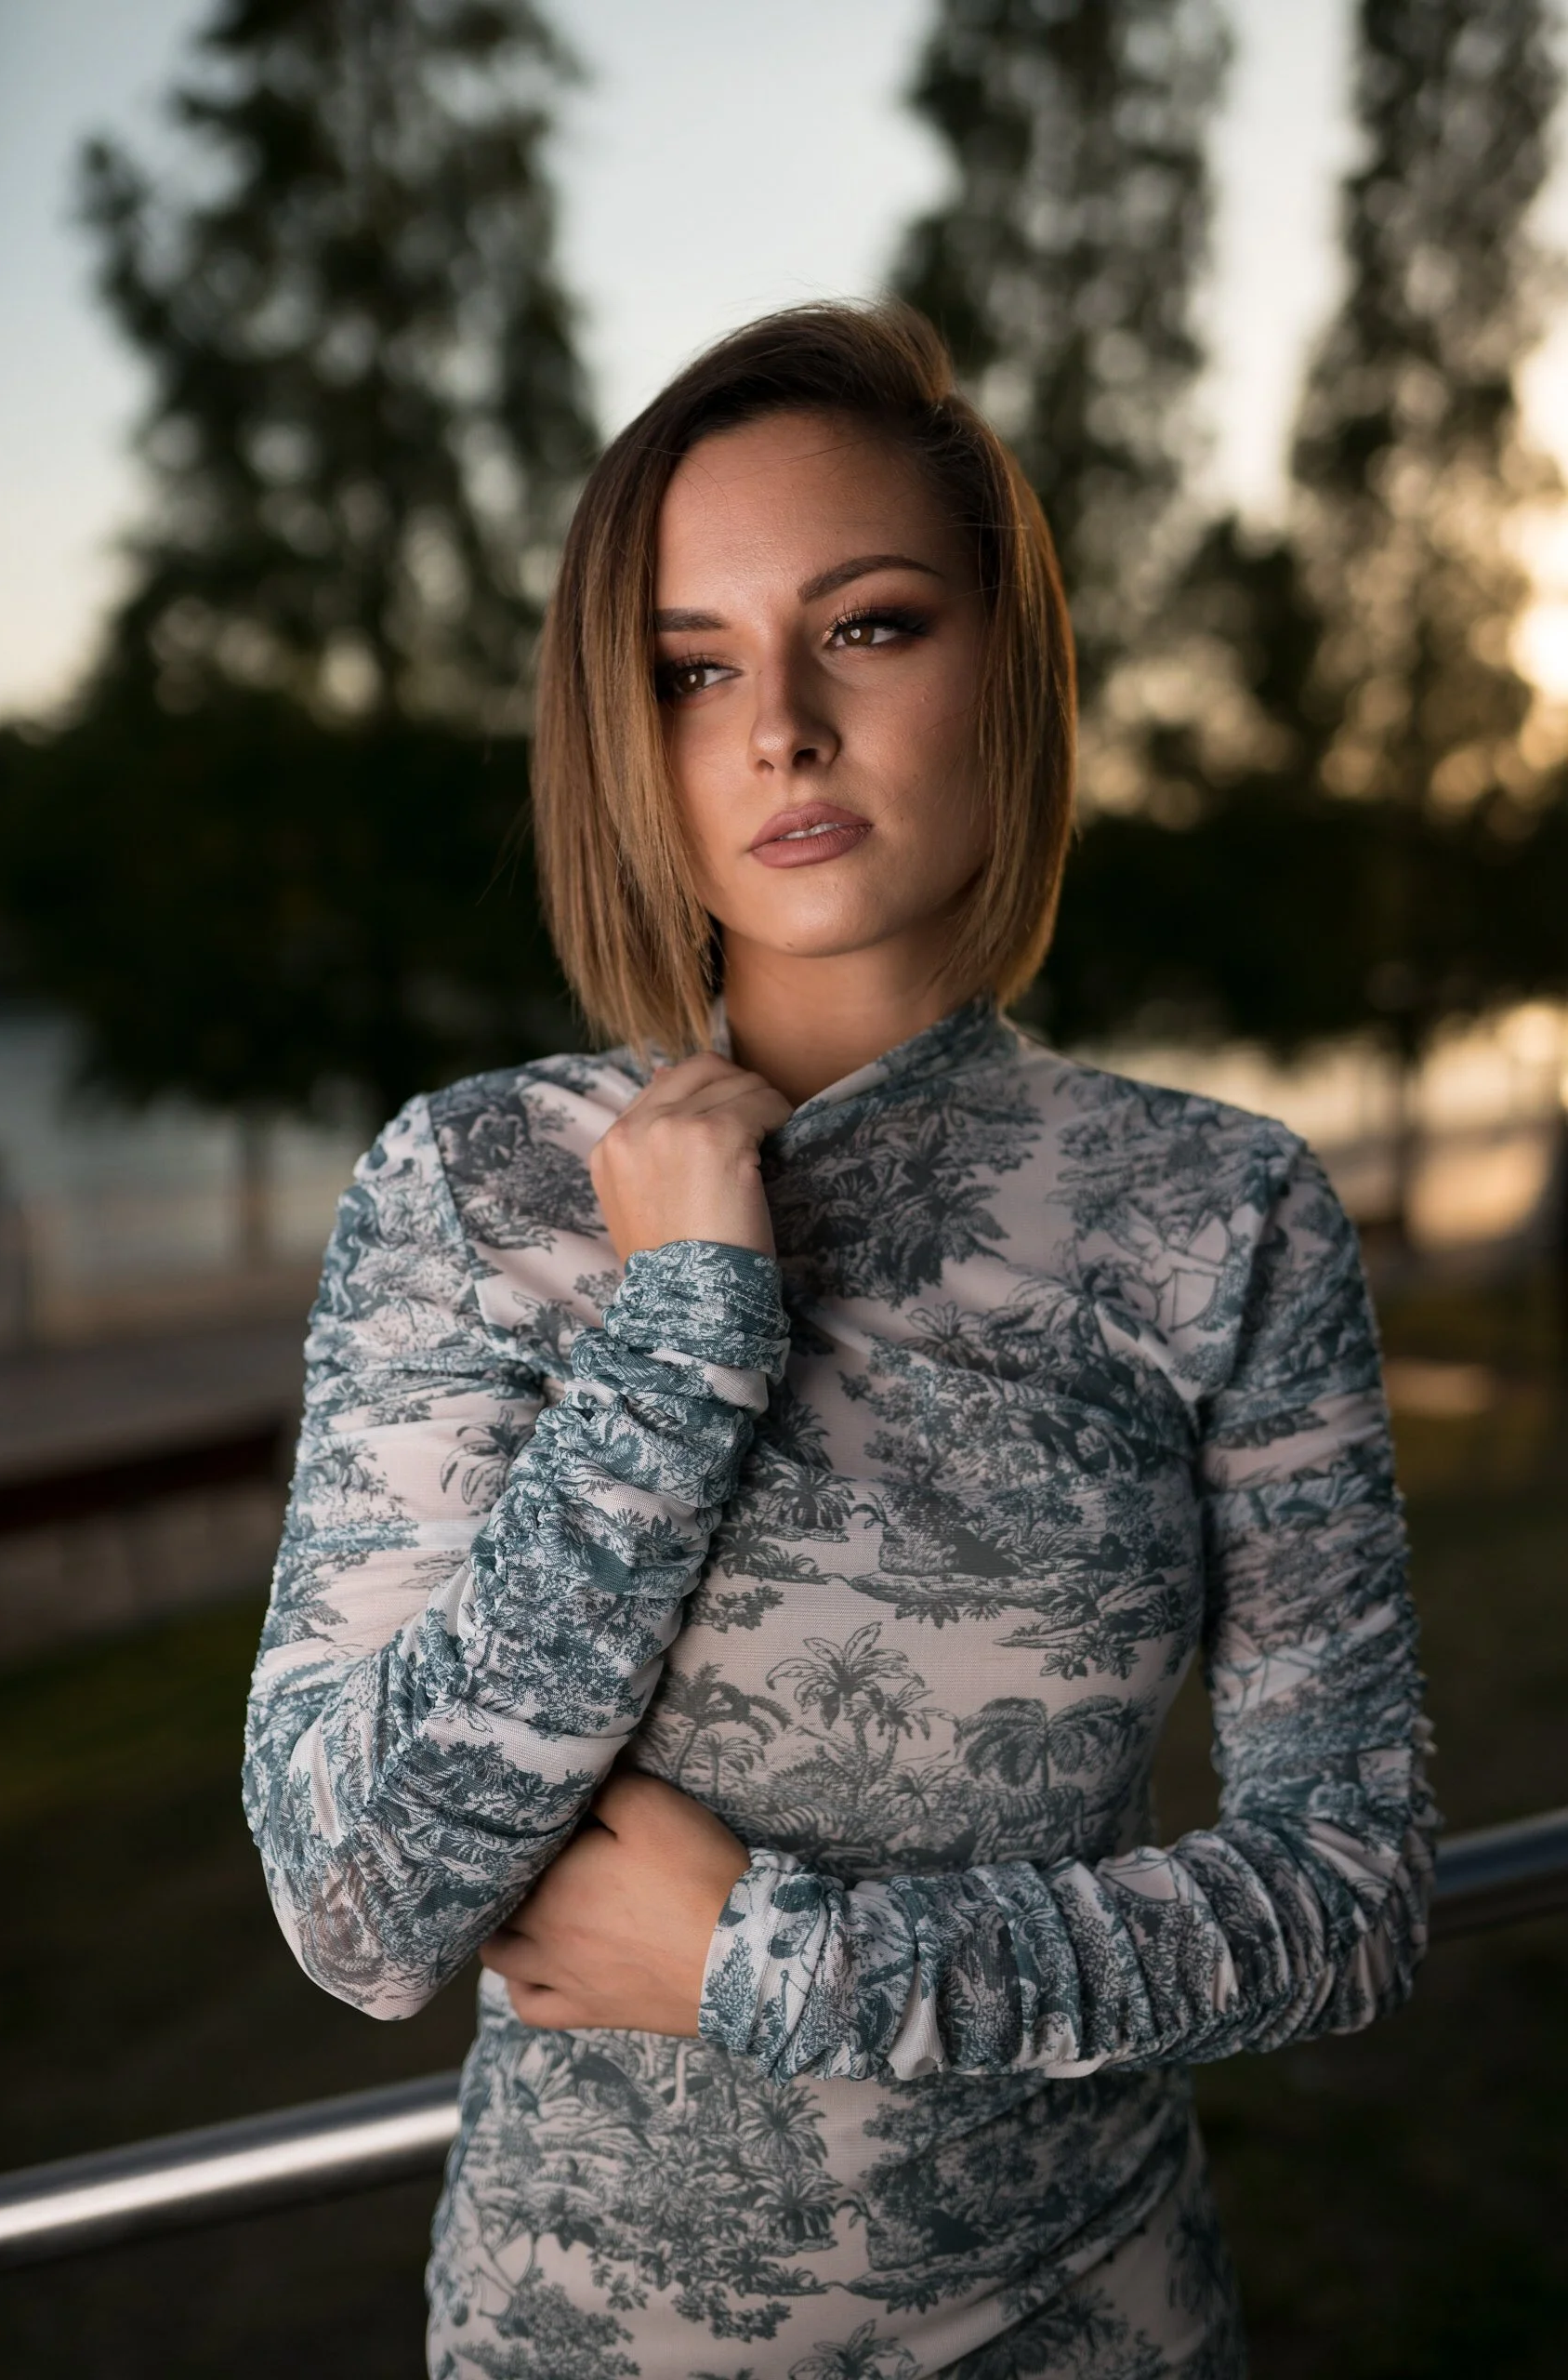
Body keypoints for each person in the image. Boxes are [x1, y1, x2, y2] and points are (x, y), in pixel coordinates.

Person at [244, 303, 1436, 2380]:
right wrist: (681, 1327)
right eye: (690, 667)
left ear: (1009, 661)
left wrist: (766, 1958)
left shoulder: (1218, 1212)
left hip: (1098, 2328)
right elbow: (357, 1905)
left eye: (864, 626)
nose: (775, 724)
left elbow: (1342, 1892)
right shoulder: (471, 1190)